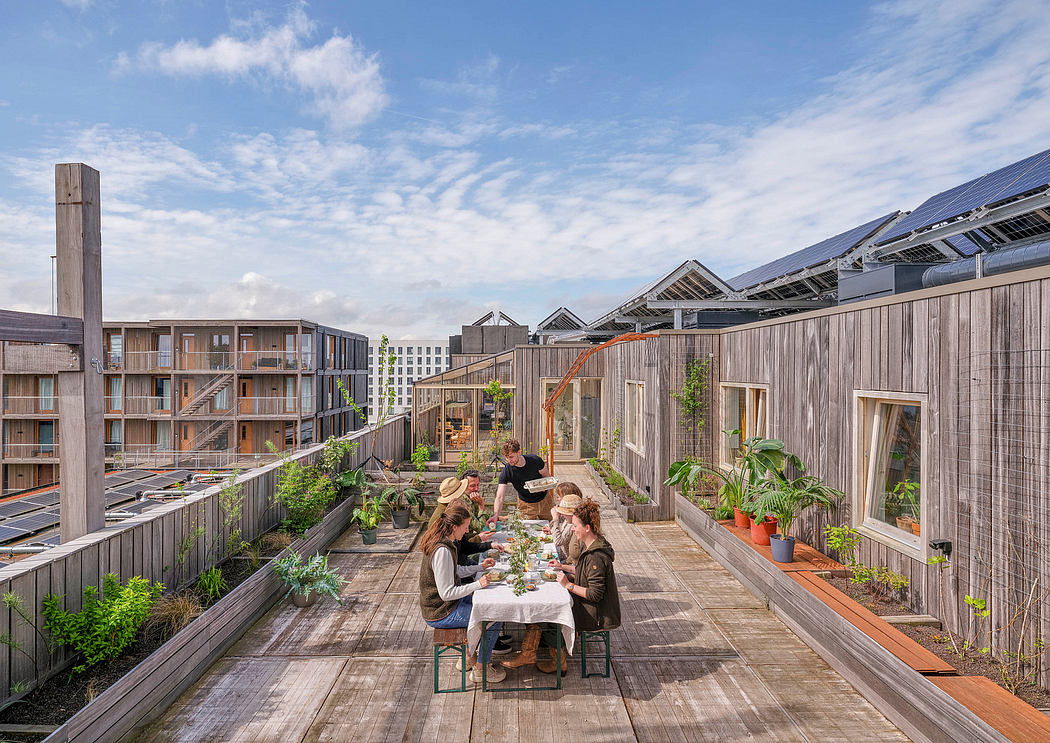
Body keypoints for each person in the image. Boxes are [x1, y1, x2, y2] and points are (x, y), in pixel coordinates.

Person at [418, 502, 511, 683]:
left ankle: (469, 656)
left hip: (445, 605)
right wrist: (478, 585)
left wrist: (479, 567)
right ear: (454, 527)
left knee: (489, 603)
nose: (467, 532)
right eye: (466, 527)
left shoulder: (447, 541)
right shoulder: (442, 550)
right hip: (441, 611)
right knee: (495, 614)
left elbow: (456, 571)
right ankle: (481, 669)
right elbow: (446, 593)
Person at [541, 498, 621, 674]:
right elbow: (583, 572)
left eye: (575, 525)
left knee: (548, 613)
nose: (572, 528)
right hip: (591, 606)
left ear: (587, 528)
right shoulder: (593, 545)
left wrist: (568, 585)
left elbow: (595, 594)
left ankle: (558, 662)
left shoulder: (596, 557)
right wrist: (562, 567)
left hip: (596, 614)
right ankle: (543, 648)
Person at [490, 439, 553, 523]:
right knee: (526, 530)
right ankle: (503, 517)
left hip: (545, 500)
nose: (509, 460)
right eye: (506, 457)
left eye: (511, 457)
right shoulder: (507, 471)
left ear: (519, 452)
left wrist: (544, 487)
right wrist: (496, 515)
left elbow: (547, 478)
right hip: (525, 504)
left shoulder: (535, 461)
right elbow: (500, 497)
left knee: (551, 524)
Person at [547, 482, 583, 564]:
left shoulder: (573, 522)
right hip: (564, 557)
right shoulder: (570, 518)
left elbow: (557, 542)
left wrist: (556, 519)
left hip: (568, 561)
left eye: (559, 496)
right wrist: (551, 530)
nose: (557, 498)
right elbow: (562, 536)